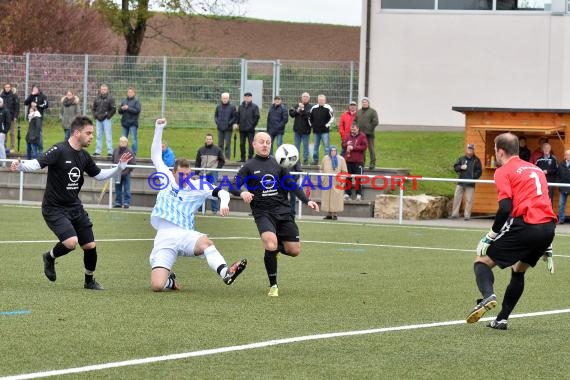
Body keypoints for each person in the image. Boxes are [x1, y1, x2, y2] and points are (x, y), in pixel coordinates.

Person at [10, 115, 133, 290]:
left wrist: (119, 168)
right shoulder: (59, 150)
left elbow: (99, 176)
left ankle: (89, 281)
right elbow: (37, 163)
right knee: (71, 242)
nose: (92, 136)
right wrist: (21, 165)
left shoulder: (84, 156)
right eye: (88, 133)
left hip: (74, 207)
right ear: (76, 133)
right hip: (54, 208)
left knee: (90, 245)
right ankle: (50, 257)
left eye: (92, 133)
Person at [466, 132, 556, 330]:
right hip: (548, 227)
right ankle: (502, 319)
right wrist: (547, 244)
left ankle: (488, 295)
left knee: (481, 262)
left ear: (500, 151)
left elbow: (505, 208)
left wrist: (490, 236)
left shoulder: (503, 171)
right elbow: (544, 202)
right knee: (518, 269)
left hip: (527, 225)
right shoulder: (536, 169)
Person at [148, 118, 246, 291]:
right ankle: (170, 281)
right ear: (173, 172)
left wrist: (224, 203)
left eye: (188, 174)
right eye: (181, 175)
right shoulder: (166, 178)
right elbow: (156, 155)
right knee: (157, 286)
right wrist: (159, 128)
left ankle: (226, 273)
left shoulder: (198, 185)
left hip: (185, 234)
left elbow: (222, 192)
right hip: (164, 236)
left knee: (206, 243)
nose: (185, 178)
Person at [228, 132, 319, 296]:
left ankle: (274, 250)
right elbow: (233, 185)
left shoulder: (279, 164)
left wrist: (307, 201)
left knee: (294, 250)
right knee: (270, 244)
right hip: (263, 213)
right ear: (254, 144)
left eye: (268, 142)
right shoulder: (248, 166)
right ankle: (273, 285)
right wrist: (242, 193)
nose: (265, 145)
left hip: (283, 211)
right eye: (261, 142)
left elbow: (292, 185)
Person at [449, 144, 483, 220]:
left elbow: (479, 171)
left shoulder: (476, 160)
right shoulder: (461, 158)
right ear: (466, 149)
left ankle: (467, 216)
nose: (470, 150)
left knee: (469, 200)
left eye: (471, 149)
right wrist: (460, 167)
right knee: (457, 197)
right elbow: (455, 167)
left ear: (473, 150)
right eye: (468, 149)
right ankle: (454, 214)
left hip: (470, 183)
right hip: (460, 181)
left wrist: (473, 177)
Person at [195, 133, 225, 214]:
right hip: (202, 173)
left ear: (212, 140)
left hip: (213, 173)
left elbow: (222, 160)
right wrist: (196, 173)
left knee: (213, 191)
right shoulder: (201, 150)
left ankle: (214, 210)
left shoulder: (217, 149)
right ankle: (200, 209)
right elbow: (197, 162)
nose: (208, 140)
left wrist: (217, 169)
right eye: (207, 139)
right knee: (201, 191)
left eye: (210, 139)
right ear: (205, 140)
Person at [320, 146, 348, 220]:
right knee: (327, 198)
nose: (333, 152)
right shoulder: (325, 158)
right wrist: (323, 178)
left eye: (334, 151)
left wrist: (341, 180)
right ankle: (328, 213)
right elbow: (321, 169)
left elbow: (344, 171)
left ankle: (335, 214)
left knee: (336, 198)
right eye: (331, 151)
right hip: (327, 181)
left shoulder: (341, 159)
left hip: (337, 182)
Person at [341, 124, 367, 201]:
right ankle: (347, 194)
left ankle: (359, 195)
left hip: (358, 161)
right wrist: (346, 144)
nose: (353, 131)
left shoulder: (362, 136)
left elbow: (364, 147)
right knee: (348, 178)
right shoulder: (347, 135)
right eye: (352, 130)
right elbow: (342, 144)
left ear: (358, 129)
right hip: (348, 161)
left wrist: (354, 148)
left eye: (354, 129)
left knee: (358, 178)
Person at [354, 97, 379, 169]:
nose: (364, 103)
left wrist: (369, 129)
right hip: (360, 135)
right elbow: (355, 121)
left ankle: (372, 163)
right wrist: (355, 127)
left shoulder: (373, 111)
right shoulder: (358, 112)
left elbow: (375, 122)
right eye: (363, 102)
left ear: (368, 103)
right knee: (362, 149)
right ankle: (362, 163)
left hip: (369, 134)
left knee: (371, 149)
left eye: (366, 102)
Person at [309, 94, 334, 165]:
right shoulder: (313, 108)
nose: (321, 101)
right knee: (316, 146)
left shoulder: (328, 108)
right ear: (317, 100)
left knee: (326, 147)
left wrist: (327, 125)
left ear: (325, 100)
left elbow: (332, 118)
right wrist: (312, 125)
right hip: (316, 131)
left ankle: (327, 161)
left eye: (322, 100)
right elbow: (309, 118)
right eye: (320, 100)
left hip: (325, 131)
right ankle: (315, 160)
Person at [92, 84, 116, 157]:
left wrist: (108, 116)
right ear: (100, 90)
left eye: (104, 89)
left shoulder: (111, 98)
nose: (103, 91)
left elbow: (113, 109)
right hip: (98, 120)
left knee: (108, 135)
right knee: (98, 135)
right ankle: (98, 151)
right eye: (102, 89)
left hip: (106, 120)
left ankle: (110, 152)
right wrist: (95, 115)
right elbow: (93, 108)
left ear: (107, 90)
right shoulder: (97, 98)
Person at [23, 84, 48, 153]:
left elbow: (46, 105)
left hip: (38, 118)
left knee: (38, 133)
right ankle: (30, 150)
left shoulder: (43, 96)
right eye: (33, 89)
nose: (34, 90)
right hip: (31, 118)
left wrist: (37, 105)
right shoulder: (31, 96)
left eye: (36, 89)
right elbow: (25, 103)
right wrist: (31, 95)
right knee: (30, 133)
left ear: (38, 89)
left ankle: (40, 150)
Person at [112, 136, 136, 209]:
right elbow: (113, 161)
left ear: (127, 143)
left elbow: (132, 164)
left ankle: (126, 202)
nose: (122, 143)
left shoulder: (130, 151)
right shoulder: (115, 150)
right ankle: (118, 202)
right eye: (121, 141)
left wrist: (125, 172)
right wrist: (115, 170)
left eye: (124, 141)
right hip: (117, 173)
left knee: (127, 189)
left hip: (126, 174)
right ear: (119, 142)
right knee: (118, 189)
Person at [236, 92, 259, 162]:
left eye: (249, 96)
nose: (247, 97)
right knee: (241, 144)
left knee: (251, 144)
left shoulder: (255, 107)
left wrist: (252, 125)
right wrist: (237, 124)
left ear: (251, 98)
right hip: (242, 129)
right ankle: (242, 158)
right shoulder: (241, 106)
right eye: (246, 96)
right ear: (244, 97)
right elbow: (238, 116)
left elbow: (257, 117)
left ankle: (250, 158)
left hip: (250, 130)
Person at [289, 92, 312, 165]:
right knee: (296, 146)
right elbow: (292, 114)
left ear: (309, 98)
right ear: (301, 98)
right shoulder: (297, 105)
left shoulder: (310, 107)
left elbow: (307, 116)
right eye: (303, 96)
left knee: (305, 146)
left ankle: (305, 160)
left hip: (306, 130)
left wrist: (302, 109)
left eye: (306, 97)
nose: (305, 98)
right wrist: (297, 110)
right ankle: (297, 160)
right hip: (297, 130)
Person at [118, 87, 142, 156]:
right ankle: (123, 152)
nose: (129, 93)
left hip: (133, 123)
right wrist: (122, 109)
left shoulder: (137, 101)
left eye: (131, 92)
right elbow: (119, 111)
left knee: (133, 139)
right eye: (128, 92)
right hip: (125, 123)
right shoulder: (124, 101)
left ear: (134, 93)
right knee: (123, 139)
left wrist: (128, 108)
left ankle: (134, 153)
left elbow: (137, 111)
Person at [214, 92, 237, 160]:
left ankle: (227, 158)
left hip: (228, 129)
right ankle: (220, 158)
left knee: (227, 144)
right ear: (221, 99)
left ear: (228, 99)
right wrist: (217, 122)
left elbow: (234, 117)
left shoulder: (232, 107)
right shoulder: (218, 107)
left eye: (226, 98)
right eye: (223, 98)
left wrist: (229, 123)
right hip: (220, 128)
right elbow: (216, 116)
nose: (225, 99)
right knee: (220, 144)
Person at [0, 82, 20, 152]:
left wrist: (15, 116)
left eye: (8, 87)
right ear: (4, 88)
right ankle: (3, 146)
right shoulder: (1, 96)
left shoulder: (14, 96)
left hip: (11, 117)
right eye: (6, 87)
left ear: (10, 88)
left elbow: (17, 107)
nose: (7, 88)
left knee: (12, 133)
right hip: (3, 118)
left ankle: (12, 147)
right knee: (3, 132)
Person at [557, 149, 570, 224]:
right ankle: (561, 220)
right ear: (565, 156)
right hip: (563, 187)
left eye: (569, 155)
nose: (568, 156)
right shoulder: (561, 164)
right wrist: (559, 183)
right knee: (561, 204)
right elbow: (558, 175)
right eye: (567, 155)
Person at [0, 98, 11, 166]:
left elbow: (8, 122)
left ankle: (3, 162)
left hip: (1, 132)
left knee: (1, 147)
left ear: (2, 102)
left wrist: (4, 131)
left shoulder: (6, 111)